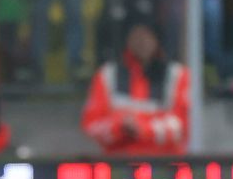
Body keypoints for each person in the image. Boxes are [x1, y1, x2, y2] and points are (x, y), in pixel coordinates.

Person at [81, 20, 190, 155]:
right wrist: (119, 127)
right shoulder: (107, 75)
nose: (142, 42)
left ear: (157, 39)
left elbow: (183, 125)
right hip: (118, 167)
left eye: (146, 36)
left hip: (165, 167)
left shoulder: (178, 75)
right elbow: (91, 124)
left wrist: (142, 129)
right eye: (136, 36)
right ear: (127, 40)